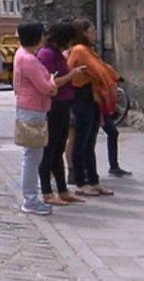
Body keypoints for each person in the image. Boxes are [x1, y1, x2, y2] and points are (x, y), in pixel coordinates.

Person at [36, 19, 87, 206]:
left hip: (64, 103)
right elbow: (50, 83)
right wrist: (71, 76)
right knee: (49, 150)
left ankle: (63, 189)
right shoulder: (47, 54)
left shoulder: (57, 52)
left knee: (58, 149)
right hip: (53, 105)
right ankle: (47, 192)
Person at [67, 18, 118, 196]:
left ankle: (94, 180)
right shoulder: (80, 50)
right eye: (92, 29)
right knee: (82, 142)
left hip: (91, 98)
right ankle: (81, 182)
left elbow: (103, 70)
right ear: (84, 32)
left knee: (89, 142)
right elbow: (101, 71)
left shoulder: (88, 50)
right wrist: (111, 80)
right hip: (83, 97)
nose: (95, 32)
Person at [13, 20, 60, 215]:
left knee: (32, 155)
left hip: (30, 108)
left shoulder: (22, 54)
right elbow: (44, 87)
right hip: (32, 109)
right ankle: (30, 199)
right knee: (32, 156)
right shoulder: (29, 59)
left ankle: (31, 195)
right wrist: (52, 84)